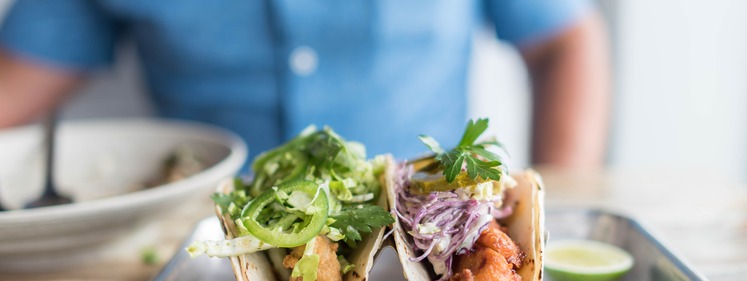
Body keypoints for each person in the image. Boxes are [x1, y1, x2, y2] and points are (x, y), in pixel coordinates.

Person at [0, 0, 609, 170]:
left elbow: (563, 42)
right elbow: (15, 87)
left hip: (431, 228)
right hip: (206, 247)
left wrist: (557, 207)